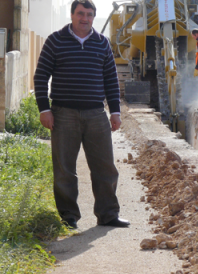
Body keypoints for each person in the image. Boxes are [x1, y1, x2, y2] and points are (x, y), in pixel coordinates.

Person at [33, 0, 129, 229]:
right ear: (72, 15)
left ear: (94, 17)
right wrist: (44, 109)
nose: (84, 18)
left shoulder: (102, 43)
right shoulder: (55, 40)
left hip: (96, 114)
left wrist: (115, 112)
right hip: (63, 113)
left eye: (88, 14)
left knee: (105, 167)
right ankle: (69, 217)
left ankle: (108, 215)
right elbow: (41, 76)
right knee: (65, 168)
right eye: (80, 13)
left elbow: (110, 81)